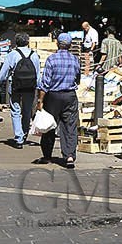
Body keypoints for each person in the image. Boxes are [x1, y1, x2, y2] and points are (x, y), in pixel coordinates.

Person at [36, 31, 81, 168]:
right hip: (70, 95)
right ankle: (69, 156)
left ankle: (47, 156)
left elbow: (45, 82)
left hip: (53, 96)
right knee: (70, 126)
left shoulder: (51, 59)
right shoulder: (75, 59)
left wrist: (40, 100)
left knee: (49, 125)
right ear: (70, 45)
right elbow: (78, 79)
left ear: (57, 44)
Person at [0, 30, 40, 148]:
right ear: (27, 42)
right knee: (27, 111)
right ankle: (24, 134)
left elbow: (4, 72)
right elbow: (37, 73)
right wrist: (39, 87)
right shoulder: (34, 55)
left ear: (16, 42)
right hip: (30, 87)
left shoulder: (12, 54)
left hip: (15, 85)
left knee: (15, 110)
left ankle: (18, 137)